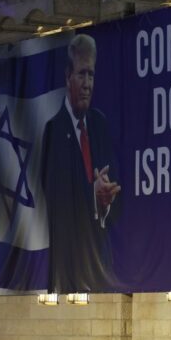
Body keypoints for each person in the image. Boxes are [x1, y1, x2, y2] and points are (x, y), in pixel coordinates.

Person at [41, 33, 120, 293]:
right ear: (68, 76)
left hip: (101, 266)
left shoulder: (100, 125)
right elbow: (55, 202)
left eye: (91, 75)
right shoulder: (53, 131)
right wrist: (91, 194)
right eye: (82, 74)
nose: (87, 84)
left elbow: (119, 197)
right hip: (67, 269)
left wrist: (106, 199)